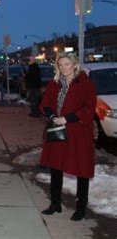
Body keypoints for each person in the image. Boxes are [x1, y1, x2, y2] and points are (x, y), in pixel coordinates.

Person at [39, 52, 97, 221]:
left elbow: (89, 107)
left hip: (78, 131)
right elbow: (46, 103)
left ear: (74, 65)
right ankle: (55, 203)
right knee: (55, 167)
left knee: (81, 169)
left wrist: (67, 118)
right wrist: (52, 117)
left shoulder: (85, 83)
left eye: (66, 64)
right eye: (60, 65)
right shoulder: (54, 84)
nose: (64, 68)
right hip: (58, 130)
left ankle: (80, 207)